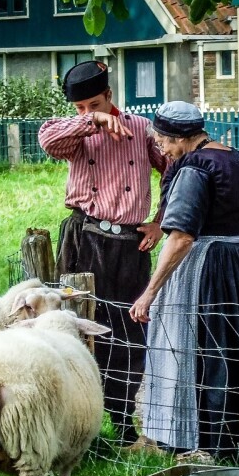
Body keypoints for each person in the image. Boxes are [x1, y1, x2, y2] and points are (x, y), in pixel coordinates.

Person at [129, 101, 239, 463]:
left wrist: (150, 293)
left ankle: (203, 444)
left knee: (201, 350)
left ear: (179, 138)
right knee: (238, 351)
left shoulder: (194, 168)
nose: (161, 149)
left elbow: (181, 237)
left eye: (162, 142)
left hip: (204, 269)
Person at [38, 60, 168, 446]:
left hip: (131, 244)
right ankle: (79, 422)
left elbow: (174, 170)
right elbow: (48, 142)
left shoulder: (142, 130)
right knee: (80, 326)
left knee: (129, 331)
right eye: (79, 107)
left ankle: (124, 423)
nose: (86, 111)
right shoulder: (73, 132)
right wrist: (89, 121)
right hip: (86, 238)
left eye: (94, 103)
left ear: (110, 95)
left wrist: (160, 221)